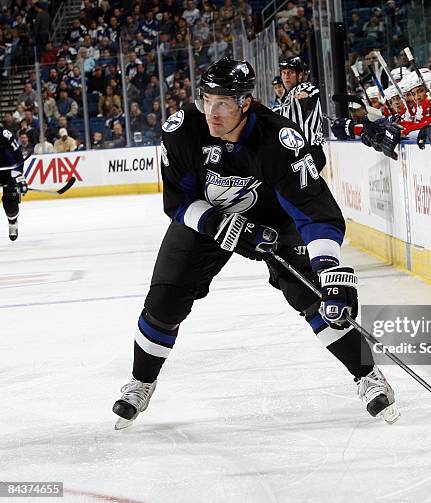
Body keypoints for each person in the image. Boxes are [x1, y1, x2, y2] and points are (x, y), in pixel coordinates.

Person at [112, 57, 399, 429]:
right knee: (166, 297)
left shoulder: (279, 139)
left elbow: (313, 210)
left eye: (223, 104)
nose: (212, 113)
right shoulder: (182, 129)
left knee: (312, 294)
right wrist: (218, 224)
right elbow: (178, 202)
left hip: (273, 218)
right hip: (207, 218)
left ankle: (367, 375)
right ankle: (141, 382)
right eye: (206, 100)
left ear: (245, 102)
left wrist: (327, 267)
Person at [277, 56, 324, 148]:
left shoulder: (301, 88)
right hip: (296, 152)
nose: (286, 76)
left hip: (309, 150)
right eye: (284, 73)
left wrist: (305, 94)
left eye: (291, 72)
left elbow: (312, 90)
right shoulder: (287, 97)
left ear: (300, 75)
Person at [0, 126, 26, 240]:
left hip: (7, 172)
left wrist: (18, 175)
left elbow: (17, 156)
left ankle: (12, 222)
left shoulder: (4, 134)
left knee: (10, 205)